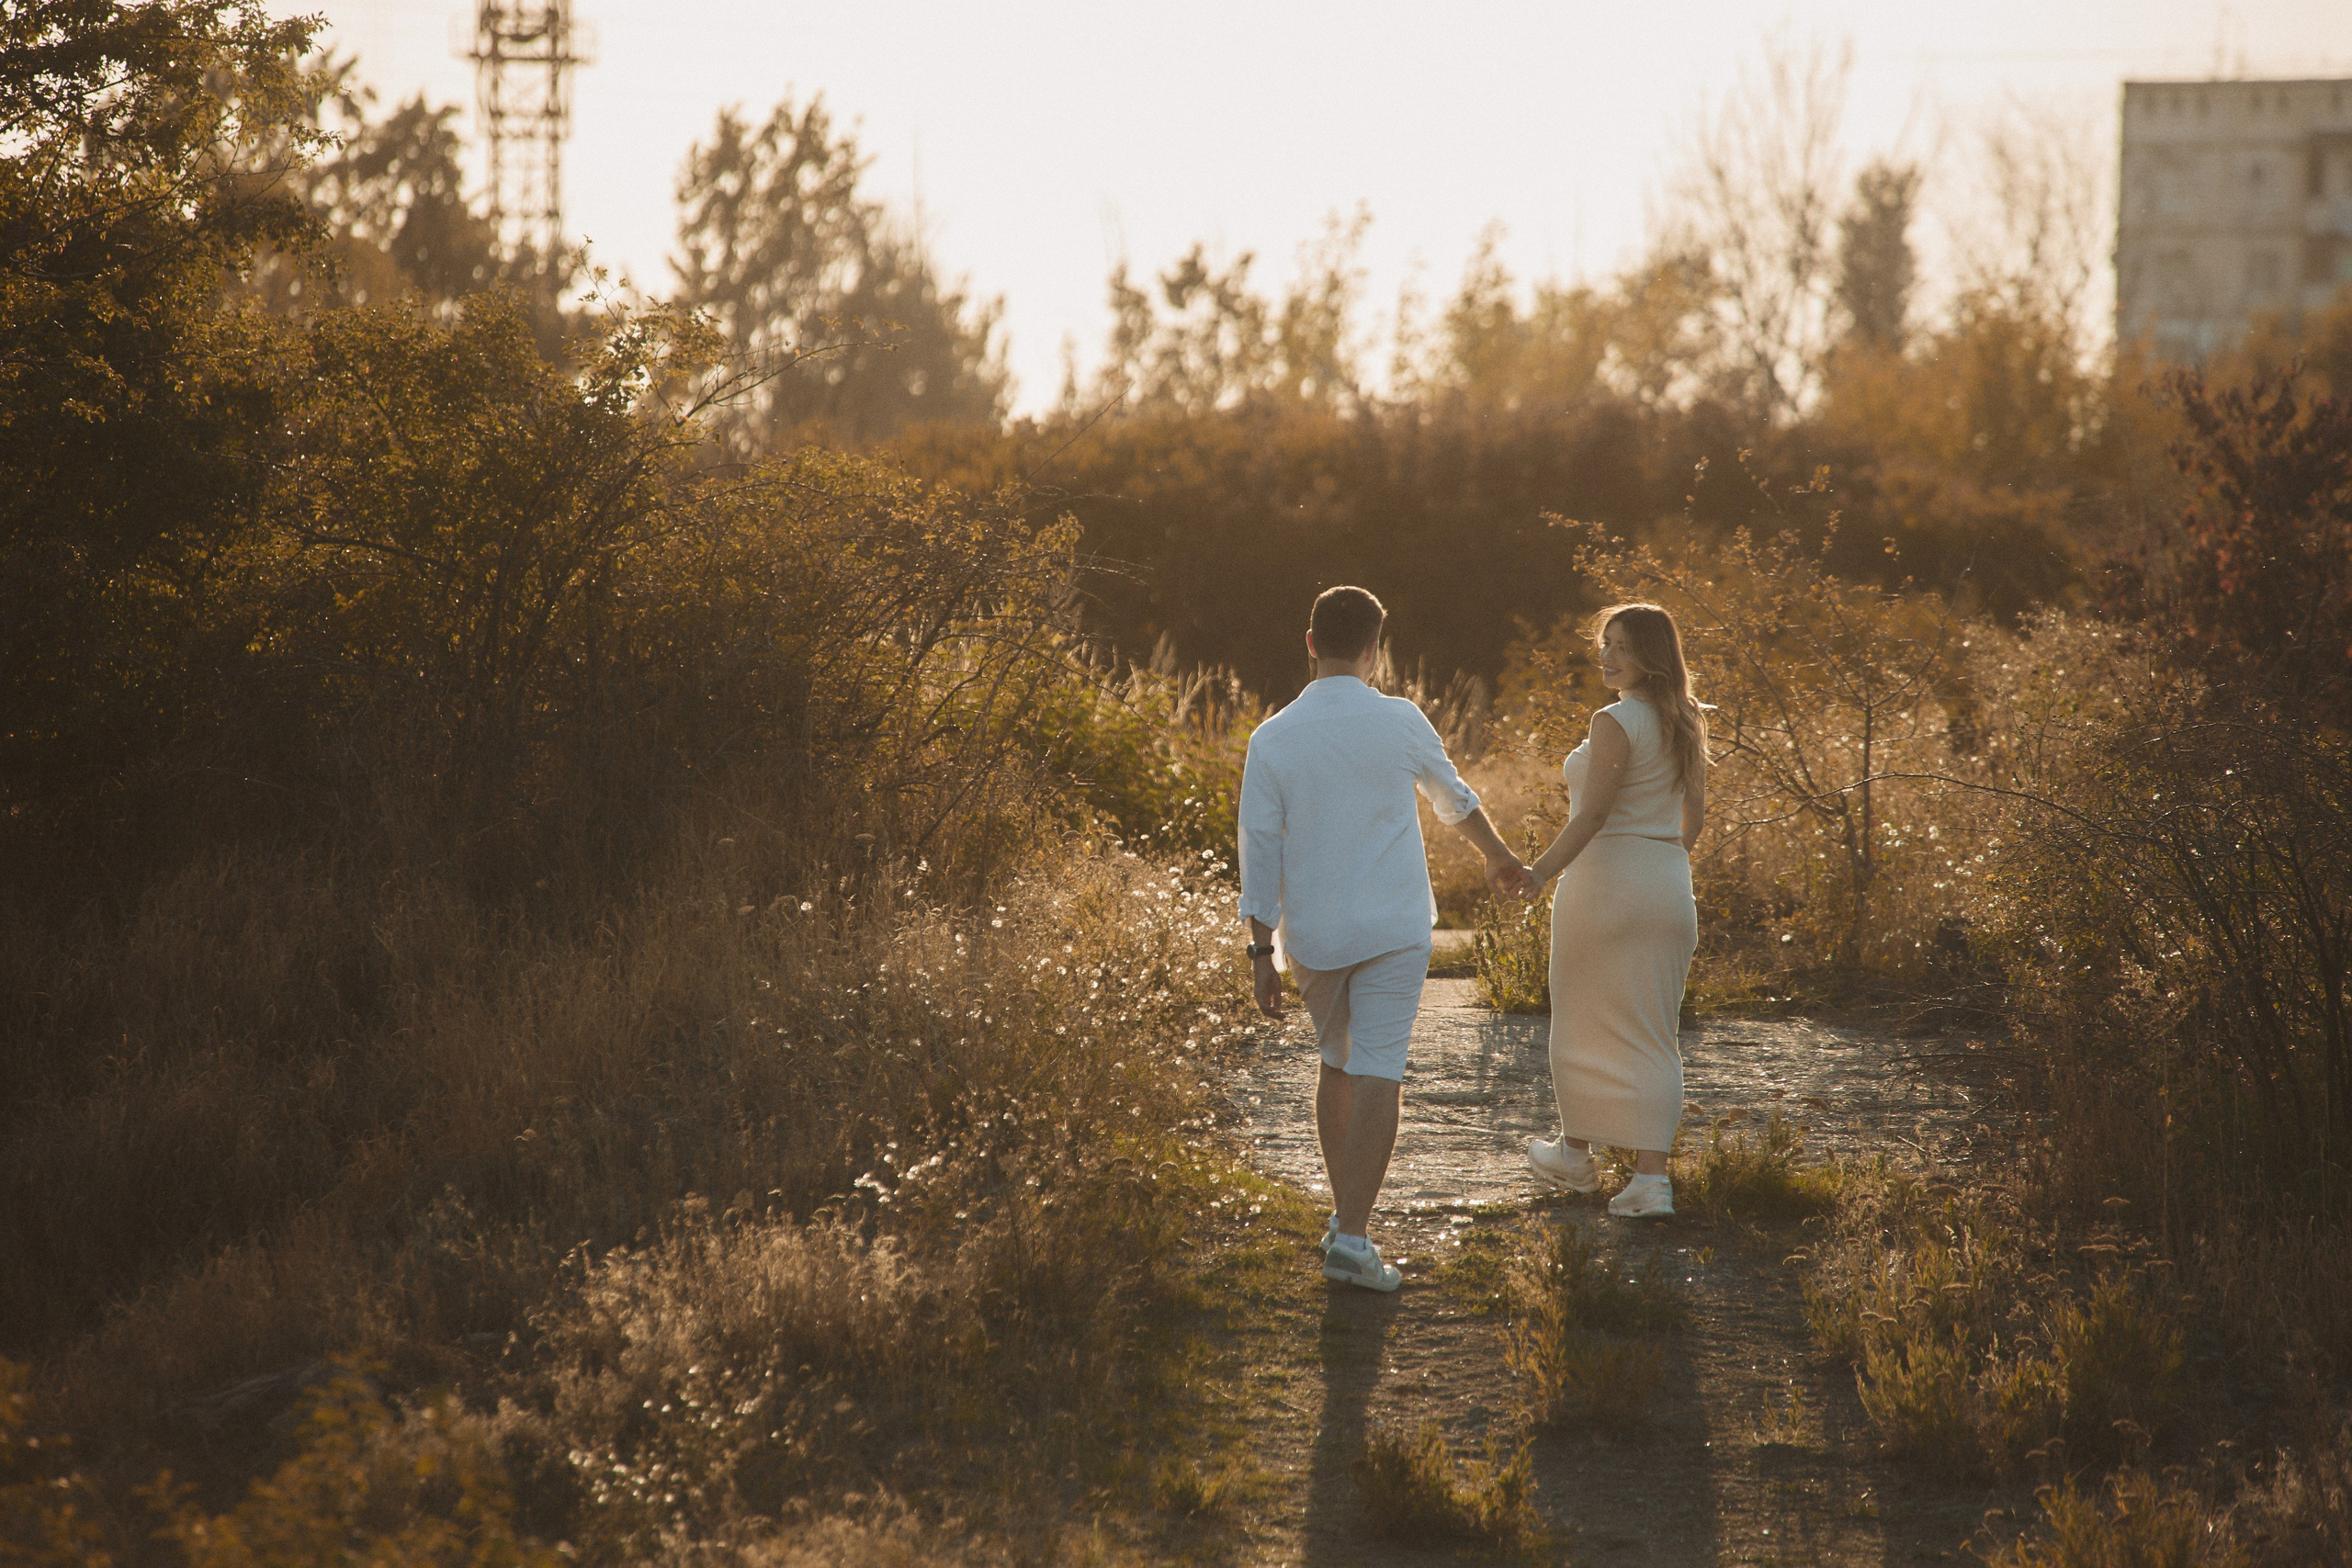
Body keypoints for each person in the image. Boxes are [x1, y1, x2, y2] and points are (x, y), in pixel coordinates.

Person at [1239, 586, 1536, 1290]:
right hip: (1396, 926)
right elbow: (1453, 799)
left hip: (1314, 935)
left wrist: (1261, 952)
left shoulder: (1271, 737)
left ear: (1310, 642)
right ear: (1375, 650)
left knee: (1336, 1064)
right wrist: (1497, 856)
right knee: (1379, 1069)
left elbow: (1258, 852)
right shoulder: (1401, 719)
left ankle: (1346, 1223)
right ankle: (1351, 1234)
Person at [1522, 604, 1708, 1218]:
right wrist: (1658, 863)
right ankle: (1649, 1182)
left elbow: (1594, 815)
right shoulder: (1686, 721)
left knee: (1580, 1020)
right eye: (1605, 643)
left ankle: (1576, 1159)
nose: (1608, 656)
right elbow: (1694, 821)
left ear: (1651, 655)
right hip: (1667, 886)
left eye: (1622, 646)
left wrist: (1538, 872)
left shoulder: (1615, 720)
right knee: (1655, 1033)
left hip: (1605, 888)